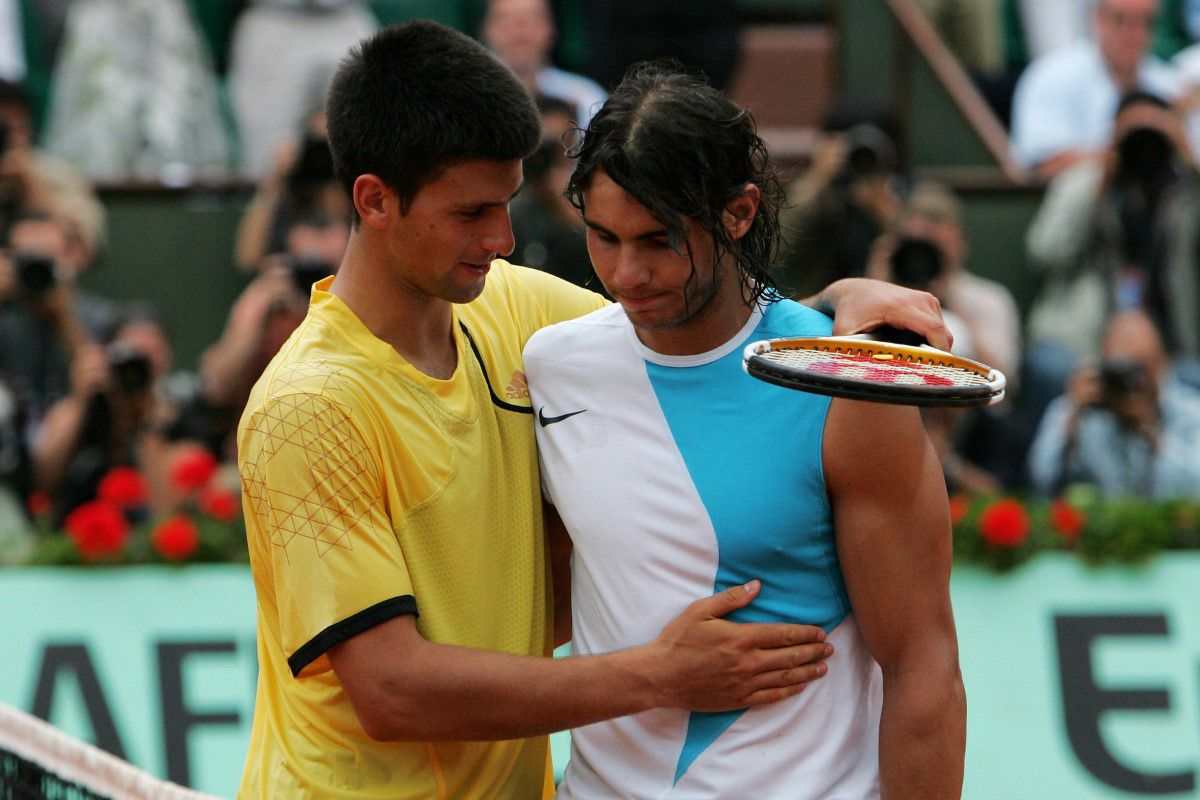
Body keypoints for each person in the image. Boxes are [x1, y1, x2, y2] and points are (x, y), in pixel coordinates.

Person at [236, 22, 954, 799]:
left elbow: (701, 332)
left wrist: (839, 306)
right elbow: (391, 691)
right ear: (374, 201)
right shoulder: (304, 409)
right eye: (472, 213)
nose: (505, 238)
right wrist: (657, 675)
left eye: (508, 204)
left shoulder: (512, 311)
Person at [524, 62, 965, 799]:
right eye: (603, 237)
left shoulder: (844, 386)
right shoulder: (551, 364)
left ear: (738, 212)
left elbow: (923, 670)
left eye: (659, 240)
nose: (626, 273)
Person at [1025, 91, 1200, 414]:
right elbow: (1044, 252)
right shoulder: (1086, 183)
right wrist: (1099, 182)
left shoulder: (1187, 190)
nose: (1144, 144)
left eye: (1155, 132)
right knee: (1050, 368)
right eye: (1134, 132)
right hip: (1089, 340)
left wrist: (1189, 158)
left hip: (1174, 344)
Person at [1028, 309, 1200, 497]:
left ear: (1162, 364)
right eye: (1120, 371)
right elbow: (1040, 481)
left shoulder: (1190, 413)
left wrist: (1150, 433)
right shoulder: (1082, 407)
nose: (1131, 383)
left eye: (1139, 369)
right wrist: (1072, 417)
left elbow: (1194, 489)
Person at [1011, 0, 1179, 177]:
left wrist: (1175, 135)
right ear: (1097, 19)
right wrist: (1125, 153)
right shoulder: (1052, 76)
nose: (1134, 34)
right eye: (1121, 20)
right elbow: (1043, 163)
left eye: (1146, 22)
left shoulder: (1169, 84)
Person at [481, 0, 606, 127]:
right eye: (505, 19)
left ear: (552, 28)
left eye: (533, 18)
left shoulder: (586, 98)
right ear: (486, 29)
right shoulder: (469, 97)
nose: (519, 31)